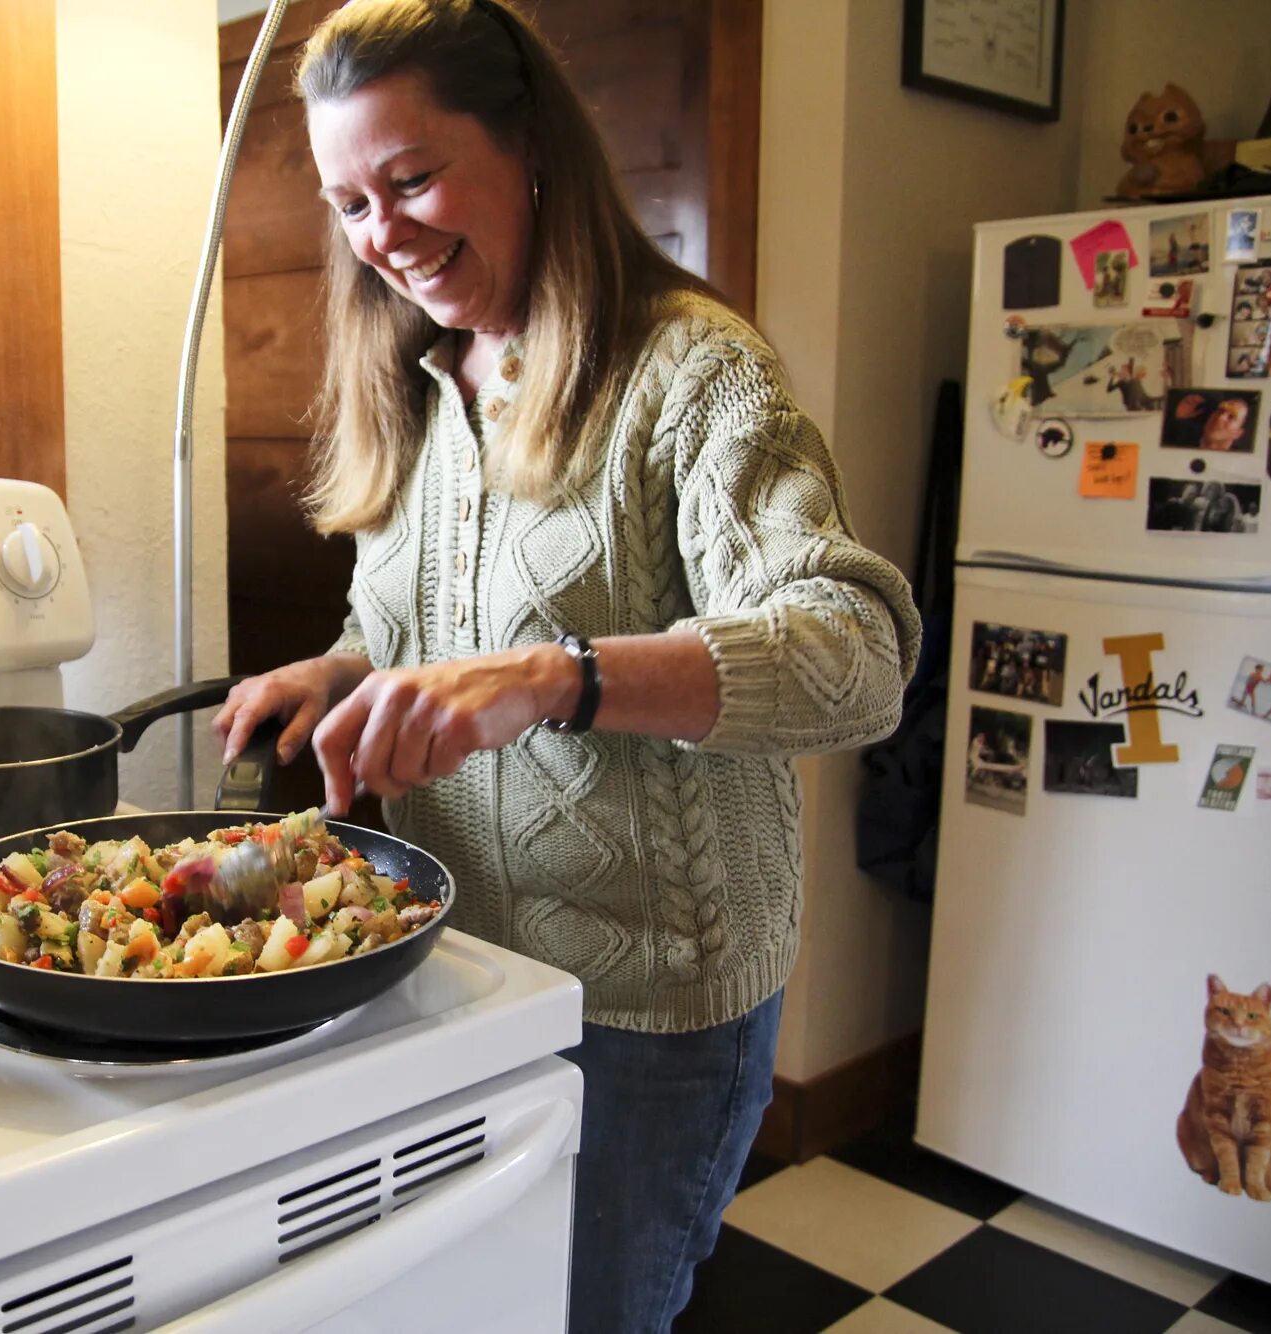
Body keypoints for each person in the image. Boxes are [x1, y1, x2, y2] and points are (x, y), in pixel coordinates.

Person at [209, 4, 920, 1329]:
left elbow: (855, 652)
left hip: (643, 1011)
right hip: (454, 967)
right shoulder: (415, 379)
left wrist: (559, 676)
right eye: (351, 201)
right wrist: (336, 670)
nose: (384, 235)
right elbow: (405, 622)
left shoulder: (691, 372)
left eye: (413, 179)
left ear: (529, 141)